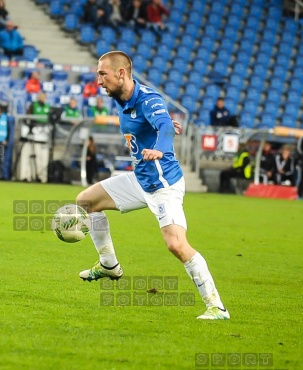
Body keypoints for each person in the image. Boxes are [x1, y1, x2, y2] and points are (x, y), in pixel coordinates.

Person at [76, 51, 229, 320]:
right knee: (85, 201)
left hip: (163, 185)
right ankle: (109, 265)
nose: (99, 80)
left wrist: (160, 146)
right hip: (140, 179)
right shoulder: (122, 99)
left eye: (103, 74)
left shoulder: (149, 98)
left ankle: (217, 307)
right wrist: (165, 126)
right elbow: (161, 124)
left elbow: (164, 128)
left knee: (176, 245)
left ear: (121, 73)